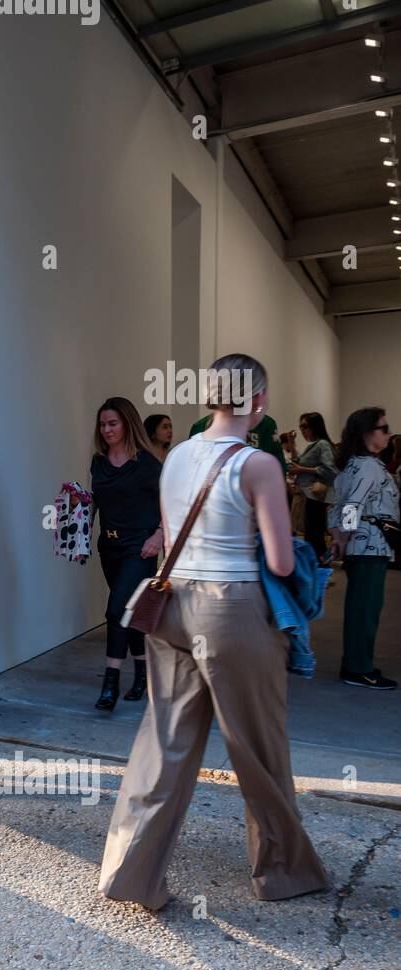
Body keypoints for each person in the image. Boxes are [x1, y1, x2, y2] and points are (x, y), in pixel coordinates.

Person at [99, 354, 329, 911]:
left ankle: (130, 875)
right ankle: (283, 872)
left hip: (173, 606)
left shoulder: (174, 455)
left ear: (209, 397)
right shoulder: (259, 465)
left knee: (164, 745)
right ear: (258, 400)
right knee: (259, 748)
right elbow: (278, 561)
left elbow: (173, 533)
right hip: (233, 612)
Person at [89, 398, 163, 710]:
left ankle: (110, 682)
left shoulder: (147, 463)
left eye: (113, 423)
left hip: (140, 547)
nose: (107, 430)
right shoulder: (99, 462)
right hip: (109, 546)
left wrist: (159, 536)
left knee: (116, 609)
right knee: (129, 612)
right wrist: (76, 526)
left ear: (127, 424)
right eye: (103, 424)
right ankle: (144, 674)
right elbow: (96, 500)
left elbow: (170, 504)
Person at [329, 406, 398, 690]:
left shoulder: (354, 465)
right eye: (383, 428)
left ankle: (356, 664)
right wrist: (344, 538)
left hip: (364, 546)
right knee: (366, 610)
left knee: (361, 608)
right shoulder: (369, 467)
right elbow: (351, 506)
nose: (389, 433)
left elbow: (337, 507)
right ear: (367, 433)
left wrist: (338, 538)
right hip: (369, 546)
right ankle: (359, 669)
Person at [286, 412, 336, 559]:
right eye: (300, 426)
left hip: (316, 494)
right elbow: (299, 461)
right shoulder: (314, 446)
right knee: (312, 531)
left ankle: (319, 564)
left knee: (314, 532)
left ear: (315, 426)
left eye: (305, 426)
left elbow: (330, 469)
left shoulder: (322, 444)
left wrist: (301, 470)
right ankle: (319, 563)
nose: (302, 430)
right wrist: (292, 443)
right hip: (309, 494)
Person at [190, 405, 287, 471]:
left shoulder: (265, 424)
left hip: (254, 487)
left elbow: (278, 464)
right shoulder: (200, 427)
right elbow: (192, 468)